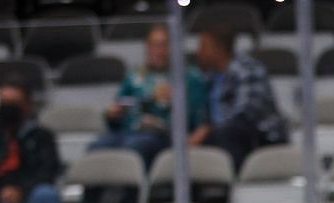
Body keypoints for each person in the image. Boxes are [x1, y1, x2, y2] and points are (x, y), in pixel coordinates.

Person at [91, 22, 207, 165]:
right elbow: (119, 109)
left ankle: (127, 185)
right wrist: (112, 114)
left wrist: (175, 100)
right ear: (147, 48)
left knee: (135, 146)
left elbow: (199, 120)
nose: (158, 51)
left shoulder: (189, 78)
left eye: (163, 45)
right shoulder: (135, 76)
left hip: (164, 137)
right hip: (129, 132)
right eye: (154, 45)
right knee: (97, 146)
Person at [189, 28, 288, 170]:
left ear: (218, 48)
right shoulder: (208, 77)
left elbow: (245, 112)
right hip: (219, 135)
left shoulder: (247, 69)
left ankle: (234, 185)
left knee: (229, 132)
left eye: (203, 46)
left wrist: (208, 129)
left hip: (261, 137)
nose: (198, 52)